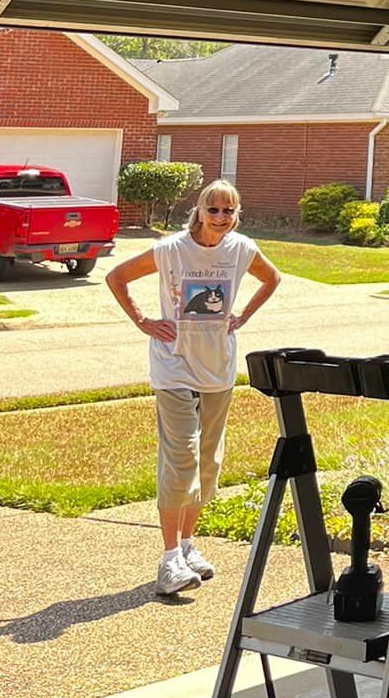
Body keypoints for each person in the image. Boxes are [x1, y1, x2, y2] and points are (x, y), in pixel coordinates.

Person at [106, 179, 281, 597]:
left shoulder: (241, 249)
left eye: (229, 211)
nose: (221, 218)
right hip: (174, 368)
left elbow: (272, 279)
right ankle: (168, 560)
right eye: (213, 210)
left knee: (206, 462)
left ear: (236, 215)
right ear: (199, 211)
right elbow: (117, 277)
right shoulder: (171, 250)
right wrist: (143, 320)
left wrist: (243, 316)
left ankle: (187, 548)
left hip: (217, 369)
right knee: (181, 457)